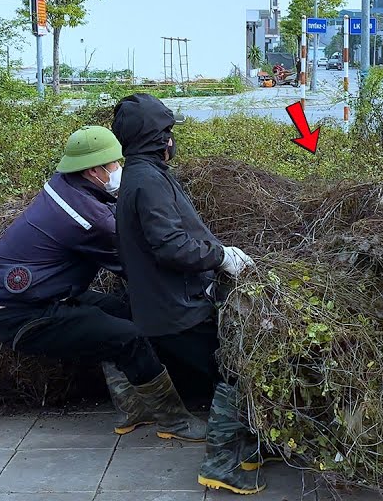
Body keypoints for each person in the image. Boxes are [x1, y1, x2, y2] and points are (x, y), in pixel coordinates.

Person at [0, 125, 206, 442]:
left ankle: (132, 409)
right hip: (24, 314)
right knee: (129, 336)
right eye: (115, 165)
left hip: (44, 294)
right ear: (94, 170)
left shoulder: (67, 185)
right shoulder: (85, 218)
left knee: (125, 313)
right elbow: (135, 262)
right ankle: (175, 422)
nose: (119, 170)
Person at [111, 92, 265, 496]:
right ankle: (222, 465)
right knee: (233, 370)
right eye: (168, 132)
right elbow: (170, 245)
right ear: (158, 138)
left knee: (232, 367)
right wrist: (220, 256)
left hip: (173, 301)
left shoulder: (143, 173)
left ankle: (247, 448)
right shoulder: (147, 181)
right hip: (175, 308)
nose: (172, 140)